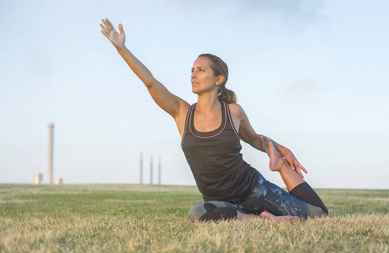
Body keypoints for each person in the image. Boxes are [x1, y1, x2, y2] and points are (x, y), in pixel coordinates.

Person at [100, 18, 328, 222]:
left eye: (200, 70)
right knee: (198, 213)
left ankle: (273, 181)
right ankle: (259, 220)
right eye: (192, 70)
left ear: (219, 79)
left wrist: (280, 151)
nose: (193, 74)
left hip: (254, 190)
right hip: (222, 204)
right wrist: (122, 49)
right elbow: (150, 82)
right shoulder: (182, 112)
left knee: (318, 214)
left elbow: (255, 139)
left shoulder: (234, 112)